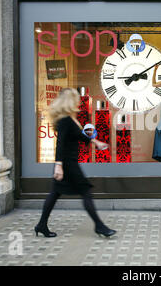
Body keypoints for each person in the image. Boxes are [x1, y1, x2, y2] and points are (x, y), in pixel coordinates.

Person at [34, 88, 116, 238]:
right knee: (85, 191)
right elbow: (60, 143)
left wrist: (96, 142)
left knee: (54, 193)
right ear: (70, 100)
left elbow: (79, 136)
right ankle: (99, 226)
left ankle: (41, 225)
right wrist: (59, 165)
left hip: (67, 163)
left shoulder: (69, 118)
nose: (79, 101)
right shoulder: (66, 120)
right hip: (67, 164)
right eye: (76, 98)